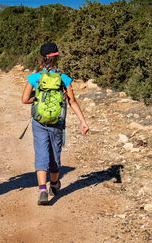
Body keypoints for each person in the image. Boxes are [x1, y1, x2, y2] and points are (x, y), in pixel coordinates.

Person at [21, 42, 89, 205]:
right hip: (58, 122)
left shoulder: (35, 77)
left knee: (41, 153)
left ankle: (42, 190)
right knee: (55, 154)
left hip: (39, 121)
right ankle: (54, 184)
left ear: (41, 60)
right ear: (57, 58)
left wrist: (37, 100)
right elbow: (72, 101)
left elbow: (24, 99)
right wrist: (83, 121)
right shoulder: (64, 78)